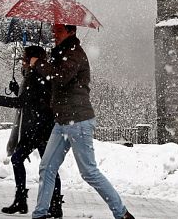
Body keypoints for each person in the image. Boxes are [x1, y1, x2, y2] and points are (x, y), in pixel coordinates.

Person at [31, 24, 134, 219]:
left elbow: (60, 77)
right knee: (47, 167)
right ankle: (40, 214)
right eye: (53, 30)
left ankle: (122, 214)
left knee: (88, 172)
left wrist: (39, 64)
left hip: (78, 120)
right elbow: (52, 81)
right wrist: (34, 66)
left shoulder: (75, 53)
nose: (54, 33)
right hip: (62, 122)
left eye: (58, 30)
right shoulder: (61, 54)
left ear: (71, 31)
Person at [0, 45, 64, 217]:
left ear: (32, 59)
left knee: (33, 163)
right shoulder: (37, 76)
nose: (22, 61)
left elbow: (21, 103)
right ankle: (47, 204)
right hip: (40, 127)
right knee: (45, 166)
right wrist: (18, 89)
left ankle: (27, 201)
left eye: (25, 58)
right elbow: (32, 99)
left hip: (38, 129)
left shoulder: (35, 77)